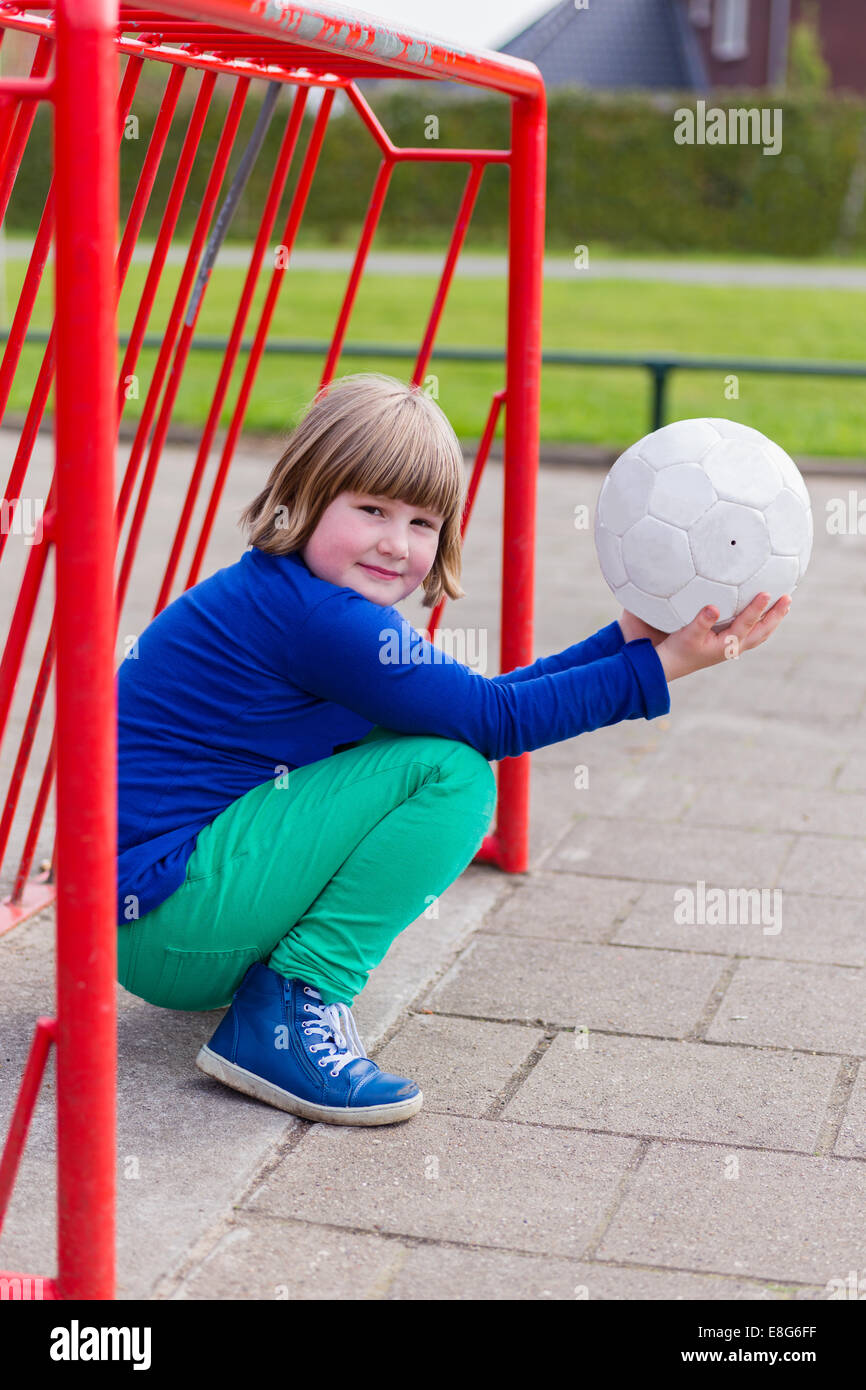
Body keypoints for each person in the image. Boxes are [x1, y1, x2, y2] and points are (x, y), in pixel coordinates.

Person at [115, 372, 791, 1128]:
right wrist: (663, 665)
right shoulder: (322, 622)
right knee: (451, 774)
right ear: (301, 497)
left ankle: (275, 995)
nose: (395, 543)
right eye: (371, 509)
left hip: (153, 916)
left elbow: (479, 704)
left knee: (429, 737)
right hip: (166, 920)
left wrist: (636, 637)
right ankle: (291, 1009)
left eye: (423, 523)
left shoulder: (290, 594)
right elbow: (491, 720)